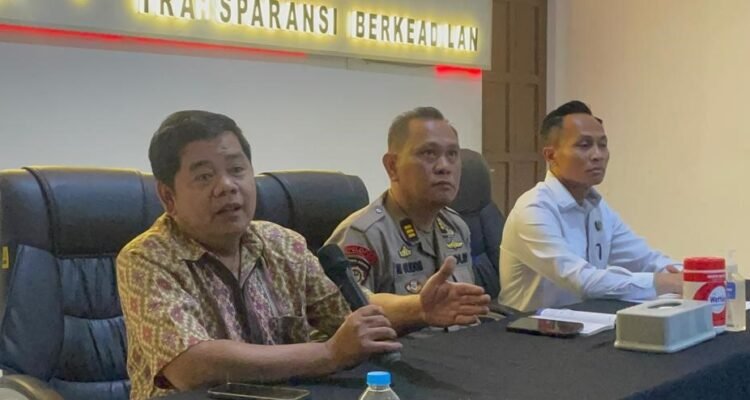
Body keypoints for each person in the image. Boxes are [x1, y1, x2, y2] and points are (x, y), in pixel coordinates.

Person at [117, 110, 489, 400]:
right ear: (168, 196)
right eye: (204, 176)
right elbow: (191, 364)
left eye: (237, 170)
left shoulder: (284, 244)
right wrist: (328, 354)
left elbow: (346, 312)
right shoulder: (147, 258)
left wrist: (417, 308)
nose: (227, 187)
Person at [498, 100, 682, 312]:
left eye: (602, 145)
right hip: (530, 327)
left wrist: (694, 275)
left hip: (588, 321)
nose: (597, 155)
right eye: (584, 145)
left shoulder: (596, 207)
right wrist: (662, 282)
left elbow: (644, 259)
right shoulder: (534, 209)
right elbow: (582, 280)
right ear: (551, 155)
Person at [327, 106, 490, 328]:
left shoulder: (456, 226)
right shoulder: (365, 234)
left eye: (452, 154)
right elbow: (344, 316)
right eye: (429, 153)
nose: (444, 167)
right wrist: (417, 308)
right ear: (392, 166)